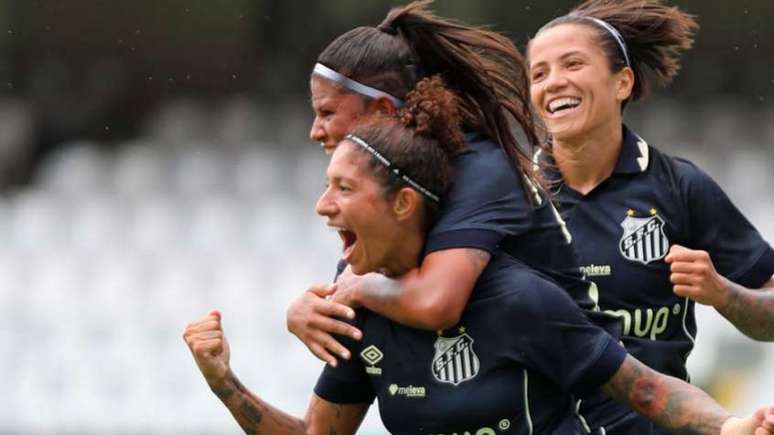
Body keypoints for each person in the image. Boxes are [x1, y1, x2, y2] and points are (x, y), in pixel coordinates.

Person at [183, 76, 774, 434]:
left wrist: (730, 426)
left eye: (342, 189)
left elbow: (646, 389)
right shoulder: (354, 307)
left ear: (404, 204)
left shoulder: (516, 298)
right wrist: (224, 383)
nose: (322, 206)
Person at [291, 0, 596, 372]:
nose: (315, 131)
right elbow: (361, 270)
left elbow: (437, 304)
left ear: (385, 112)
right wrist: (305, 309)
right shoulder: (401, 174)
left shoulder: (478, 169)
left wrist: (358, 289)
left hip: (592, 402)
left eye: (326, 113)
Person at [526, 0, 774, 433]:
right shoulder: (510, 194)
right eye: (539, 73)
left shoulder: (681, 187)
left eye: (572, 64)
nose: (554, 83)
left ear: (622, 82)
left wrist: (723, 293)